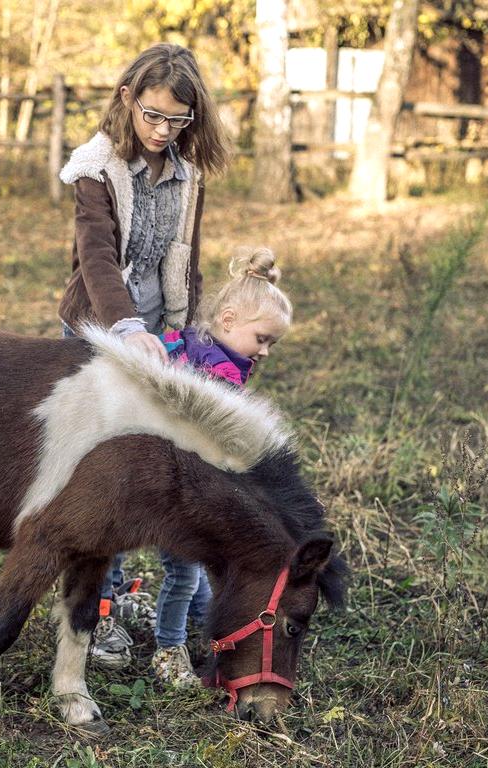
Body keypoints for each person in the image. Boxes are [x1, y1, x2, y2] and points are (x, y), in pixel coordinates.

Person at [58, 42, 230, 670]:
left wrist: (189, 336)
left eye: (177, 121)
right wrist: (127, 327)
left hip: (161, 340)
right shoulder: (95, 170)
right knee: (99, 476)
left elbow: (187, 257)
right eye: (152, 115)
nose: (162, 131)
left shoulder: (187, 174)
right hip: (101, 335)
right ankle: (92, 609)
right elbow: (97, 258)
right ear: (128, 97)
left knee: (146, 469)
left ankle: (121, 589)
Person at [151, 245, 292, 687]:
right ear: (229, 320)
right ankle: (167, 649)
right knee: (183, 570)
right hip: (174, 489)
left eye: (272, 343)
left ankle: (207, 625)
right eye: (262, 339)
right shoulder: (215, 375)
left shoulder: (199, 347)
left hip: (178, 480)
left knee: (198, 567)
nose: (265, 352)